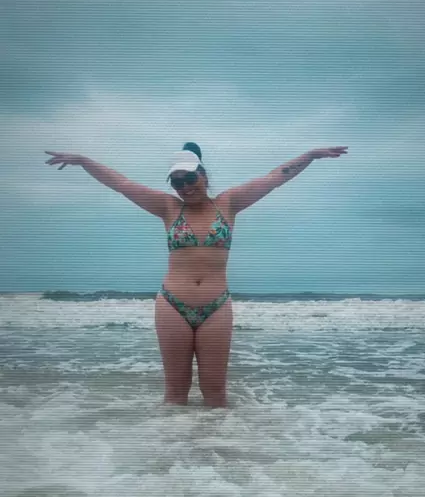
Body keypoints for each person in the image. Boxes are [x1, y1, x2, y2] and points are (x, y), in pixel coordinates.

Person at [45, 141, 348, 408]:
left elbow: (273, 179)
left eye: (190, 178)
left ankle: (219, 449)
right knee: (175, 394)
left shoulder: (228, 204)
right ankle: (173, 449)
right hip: (172, 305)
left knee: (216, 395)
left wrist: (310, 155)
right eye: (177, 182)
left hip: (216, 307)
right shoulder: (167, 207)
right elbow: (121, 183)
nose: (185, 187)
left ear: (204, 175)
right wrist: (84, 161)